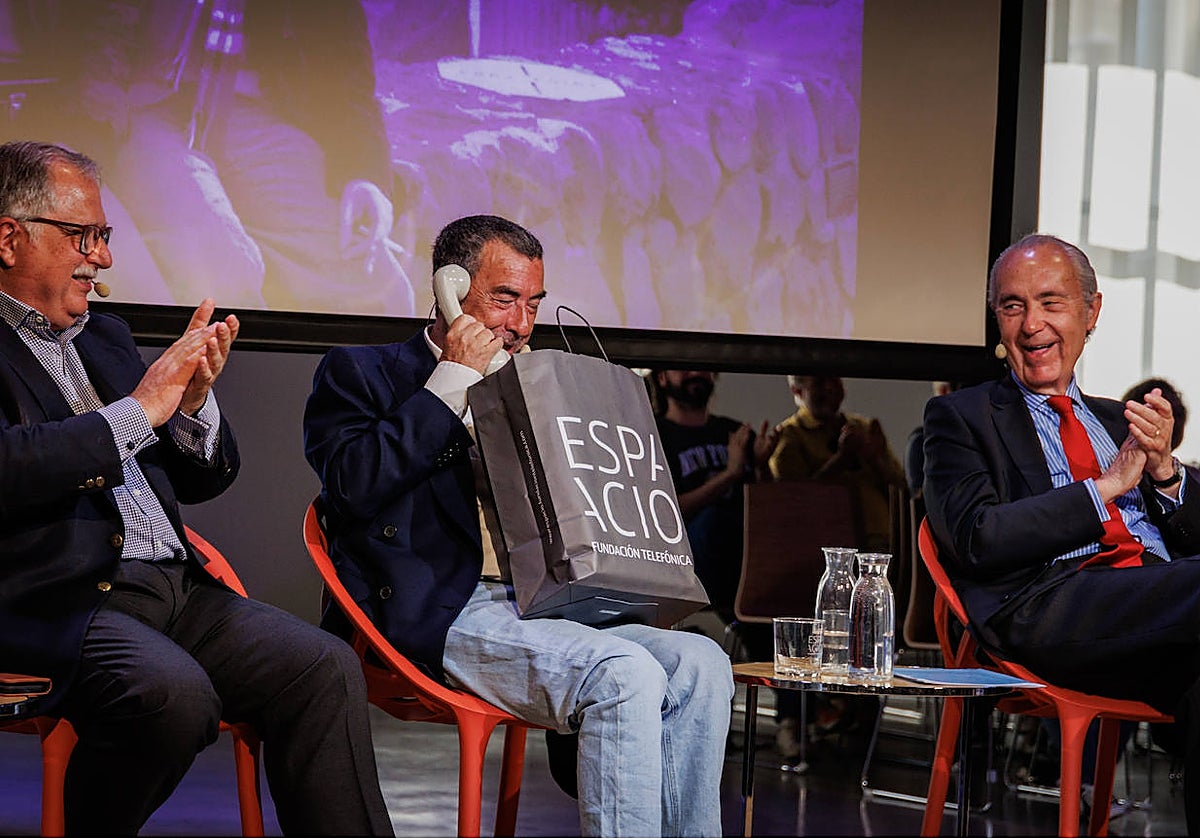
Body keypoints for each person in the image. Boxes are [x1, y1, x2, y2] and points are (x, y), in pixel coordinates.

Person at [0, 141, 392, 836]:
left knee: (325, 668)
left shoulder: (106, 338)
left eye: (106, 237)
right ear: (9, 239)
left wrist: (190, 408)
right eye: (83, 237)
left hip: (178, 592)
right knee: (171, 696)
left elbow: (203, 479)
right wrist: (139, 410)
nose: (104, 258)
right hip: (56, 601)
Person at [303, 214, 734, 838]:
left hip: (543, 602)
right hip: (444, 607)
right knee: (624, 672)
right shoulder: (362, 372)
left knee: (701, 662)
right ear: (448, 287)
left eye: (532, 304)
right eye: (504, 300)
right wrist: (450, 383)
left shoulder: (534, 383)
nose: (522, 324)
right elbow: (350, 488)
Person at [922, 233, 1200, 832]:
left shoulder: (1115, 419)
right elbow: (976, 536)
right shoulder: (962, 419)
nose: (1031, 326)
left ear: (1091, 311)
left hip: (1155, 610)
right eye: (1013, 306)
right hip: (1052, 605)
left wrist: (1165, 473)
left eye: (1051, 302)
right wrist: (1101, 490)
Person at [650, 369, 778, 622]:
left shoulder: (734, 431)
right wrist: (730, 475)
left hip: (746, 554)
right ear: (662, 377)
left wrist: (762, 465)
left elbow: (768, 510)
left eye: (704, 369)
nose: (696, 373)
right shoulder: (654, 433)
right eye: (684, 368)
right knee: (714, 521)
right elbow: (666, 513)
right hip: (686, 554)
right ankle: (742, 621)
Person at [769, 374, 905, 551]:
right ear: (797, 391)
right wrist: (841, 459)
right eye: (818, 383)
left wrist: (874, 459)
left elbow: (902, 487)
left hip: (884, 541)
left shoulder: (864, 427)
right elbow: (793, 502)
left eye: (834, 380)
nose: (829, 388)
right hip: (826, 548)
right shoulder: (789, 436)